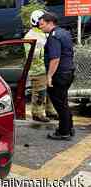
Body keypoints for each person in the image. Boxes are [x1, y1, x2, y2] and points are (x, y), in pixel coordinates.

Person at [39, 12, 75, 140]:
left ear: (50, 23)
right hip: (68, 72)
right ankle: (69, 127)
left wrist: (49, 76)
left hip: (59, 74)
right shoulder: (64, 33)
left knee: (59, 103)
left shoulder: (54, 36)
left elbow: (55, 59)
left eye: (42, 24)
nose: (40, 27)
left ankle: (63, 131)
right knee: (63, 101)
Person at [24, 10, 58, 122]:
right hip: (38, 70)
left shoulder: (45, 33)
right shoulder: (30, 36)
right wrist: (46, 49)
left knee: (51, 91)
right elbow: (32, 54)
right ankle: (37, 113)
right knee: (40, 92)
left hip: (48, 68)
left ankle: (50, 110)